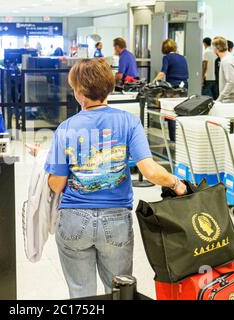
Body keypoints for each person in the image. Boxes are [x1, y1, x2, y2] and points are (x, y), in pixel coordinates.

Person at [44, 58, 187, 299]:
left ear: (79, 93)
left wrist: (47, 170)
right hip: (116, 221)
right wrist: (176, 183)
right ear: (109, 87)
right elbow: (150, 170)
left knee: (81, 294)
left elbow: (57, 184)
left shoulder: (66, 128)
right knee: (120, 292)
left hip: (73, 220)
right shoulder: (129, 122)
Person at [154, 39, 189, 142]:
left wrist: (153, 81)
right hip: (184, 86)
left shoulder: (167, 57)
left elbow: (162, 73)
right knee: (181, 111)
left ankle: (173, 138)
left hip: (173, 87)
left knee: (171, 112)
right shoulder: (182, 57)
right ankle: (181, 137)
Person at [213, 37, 234, 104]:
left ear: (215, 48)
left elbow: (231, 82)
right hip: (230, 99)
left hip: (230, 101)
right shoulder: (229, 57)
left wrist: (219, 99)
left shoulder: (227, 60)